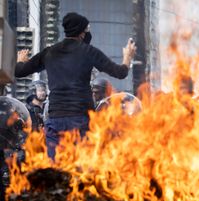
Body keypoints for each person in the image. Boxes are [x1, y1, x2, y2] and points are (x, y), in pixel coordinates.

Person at [15, 12, 136, 160]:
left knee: (56, 169)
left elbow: (19, 72)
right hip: (81, 119)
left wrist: (21, 60)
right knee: (82, 169)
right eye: (87, 29)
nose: (88, 33)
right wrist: (127, 58)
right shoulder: (89, 52)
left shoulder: (50, 52)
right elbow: (120, 72)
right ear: (82, 32)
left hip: (56, 119)